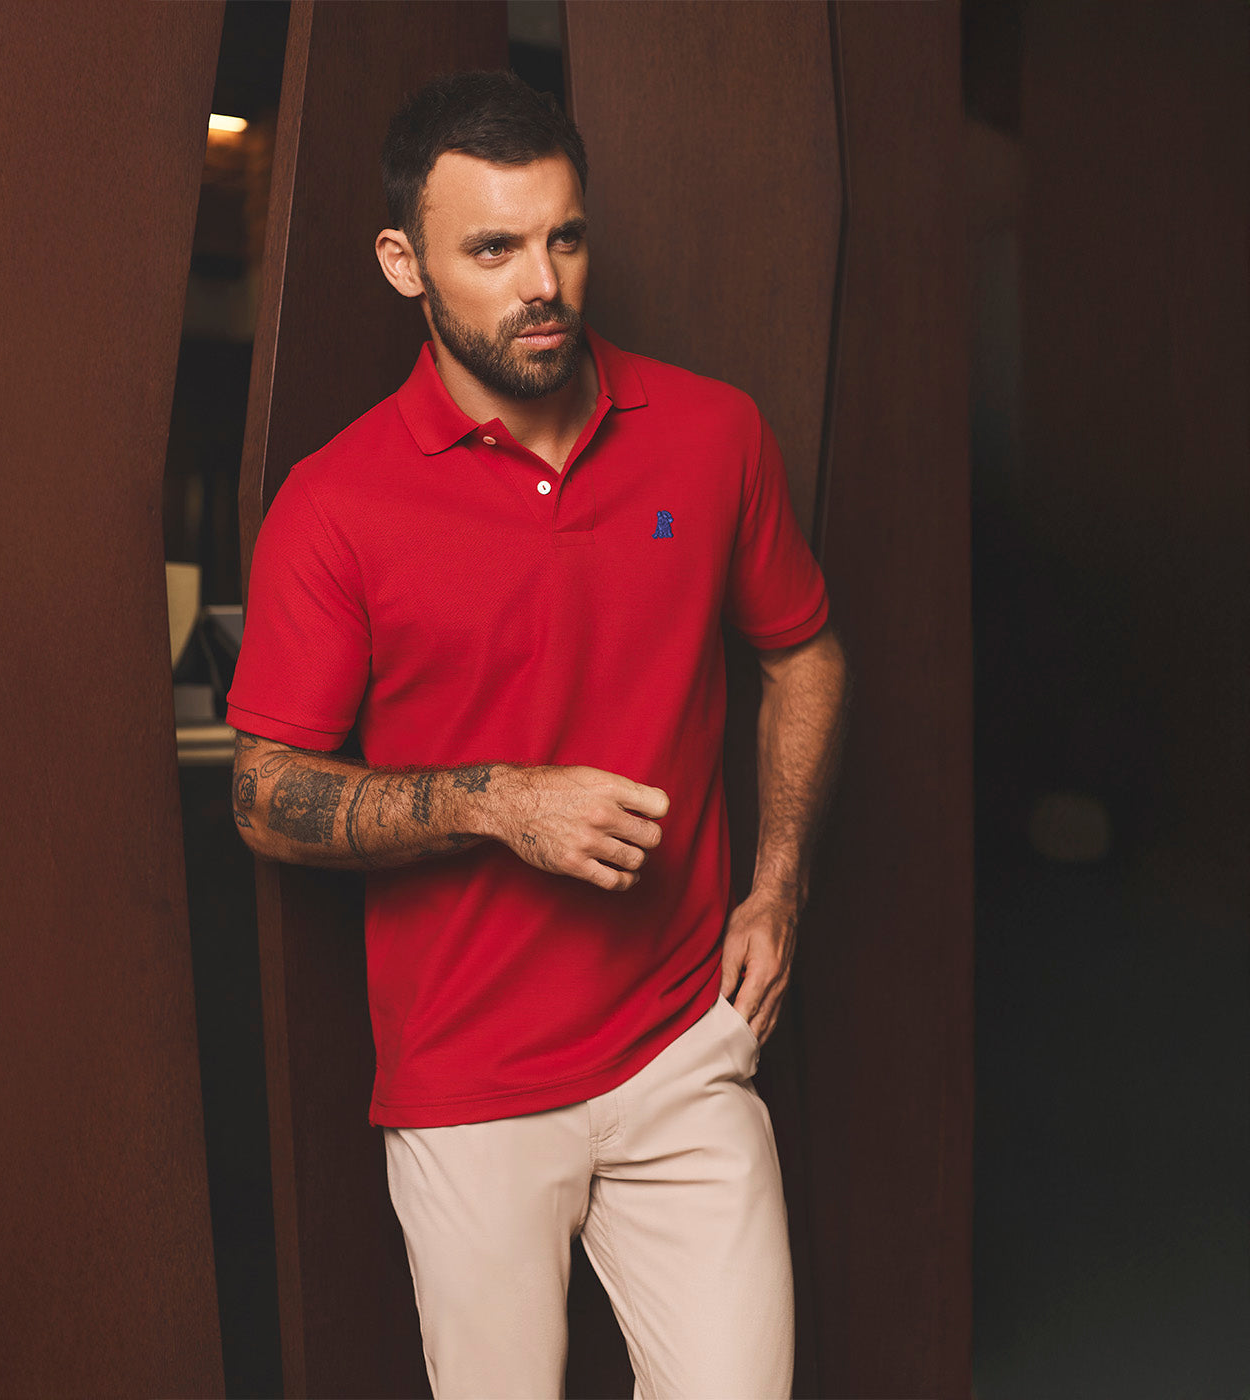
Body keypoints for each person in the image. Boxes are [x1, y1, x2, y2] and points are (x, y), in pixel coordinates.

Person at [226, 68, 849, 1400]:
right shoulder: (335, 505)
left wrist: (780, 886)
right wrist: (497, 800)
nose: (542, 281)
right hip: (471, 1087)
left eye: (563, 235)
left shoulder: (711, 434)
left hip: (685, 1048)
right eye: (494, 248)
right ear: (406, 263)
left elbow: (803, 651)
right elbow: (266, 791)